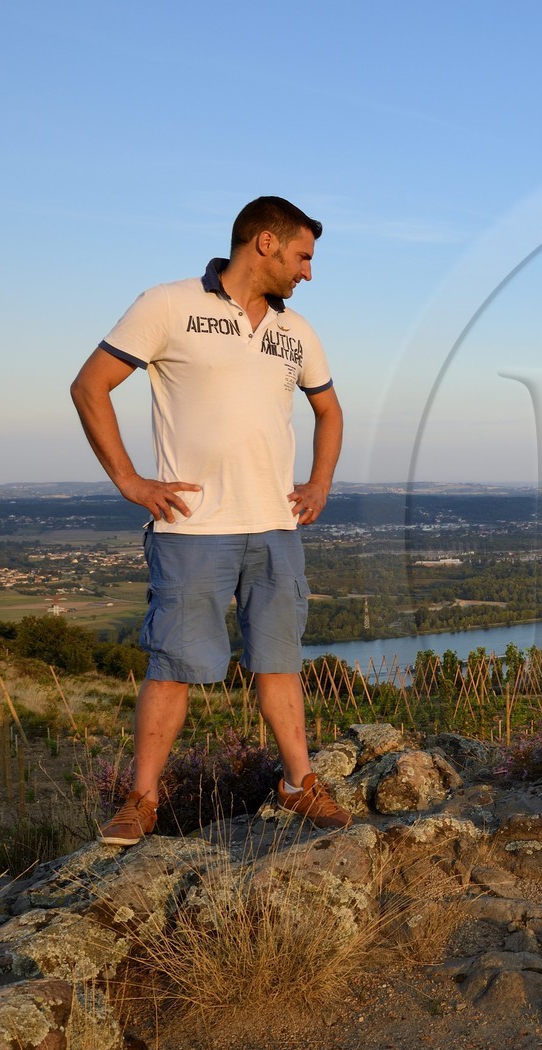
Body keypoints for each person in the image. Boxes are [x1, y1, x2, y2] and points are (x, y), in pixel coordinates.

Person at [71, 196, 351, 844]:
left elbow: (330, 412)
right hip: (193, 528)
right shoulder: (168, 305)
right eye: (303, 256)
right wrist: (130, 480)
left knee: (279, 660)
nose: (309, 272)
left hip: (275, 526)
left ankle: (297, 783)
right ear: (264, 243)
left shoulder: (298, 331)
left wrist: (319, 483)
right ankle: (142, 800)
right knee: (172, 665)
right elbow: (90, 386)